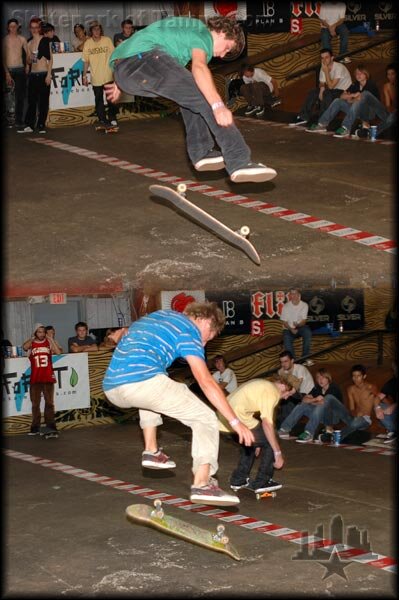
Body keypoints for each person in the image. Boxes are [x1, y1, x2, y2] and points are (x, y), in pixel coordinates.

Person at [103, 302, 255, 506]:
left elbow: (126, 333)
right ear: (204, 319)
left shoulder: (159, 315)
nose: (203, 344)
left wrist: (116, 336)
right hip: (141, 381)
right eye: (208, 336)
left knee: (154, 387)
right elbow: (206, 381)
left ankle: (152, 450)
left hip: (112, 387)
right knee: (205, 417)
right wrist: (235, 422)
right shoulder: (189, 330)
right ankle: (203, 483)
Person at [105, 15, 277, 184]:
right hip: (142, 60)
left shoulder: (183, 33)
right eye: (226, 48)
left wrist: (120, 82)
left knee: (190, 97)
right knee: (205, 95)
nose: (222, 55)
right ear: (222, 32)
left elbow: (141, 39)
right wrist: (218, 105)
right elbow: (199, 67)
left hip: (128, 71)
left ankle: (201, 151)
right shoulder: (201, 32)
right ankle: (239, 160)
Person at [218, 376, 297, 494]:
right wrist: (278, 453)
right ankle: (262, 481)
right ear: (282, 385)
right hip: (236, 419)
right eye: (289, 393)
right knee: (272, 439)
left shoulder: (261, 384)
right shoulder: (272, 391)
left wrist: (257, 442)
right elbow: (267, 424)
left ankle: (238, 479)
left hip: (223, 420)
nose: (286, 398)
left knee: (251, 443)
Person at [306, 64, 380, 136]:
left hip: (369, 113)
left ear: (366, 74)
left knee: (357, 103)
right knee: (338, 101)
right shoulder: (355, 85)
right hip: (356, 111)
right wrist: (353, 95)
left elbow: (361, 100)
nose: (358, 75)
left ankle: (346, 128)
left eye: (360, 73)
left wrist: (351, 100)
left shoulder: (371, 85)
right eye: (357, 73)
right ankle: (322, 124)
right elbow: (342, 96)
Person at [289, 48, 352, 127]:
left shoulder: (339, 68)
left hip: (344, 91)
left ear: (332, 58)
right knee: (313, 92)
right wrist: (321, 89)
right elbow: (322, 82)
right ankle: (303, 117)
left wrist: (326, 71)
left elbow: (331, 86)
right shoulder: (323, 67)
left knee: (327, 93)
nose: (324, 60)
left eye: (326, 57)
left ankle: (321, 121)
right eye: (322, 58)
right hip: (333, 90)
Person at [277, 368, 343, 442]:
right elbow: (304, 399)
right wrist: (314, 399)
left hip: (333, 417)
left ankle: (309, 433)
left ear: (328, 378)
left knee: (320, 406)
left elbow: (323, 403)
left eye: (323, 377)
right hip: (319, 415)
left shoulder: (333, 388)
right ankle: (284, 429)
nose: (320, 380)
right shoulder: (317, 388)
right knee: (302, 405)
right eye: (318, 377)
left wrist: (312, 402)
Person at [318, 364, 380, 443]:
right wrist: (355, 413)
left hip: (365, 419)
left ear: (364, 376)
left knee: (355, 423)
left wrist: (377, 409)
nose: (356, 378)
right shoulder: (350, 389)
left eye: (358, 376)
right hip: (354, 417)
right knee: (329, 397)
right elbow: (351, 408)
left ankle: (335, 437)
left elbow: (378, 397)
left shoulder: (371, 387)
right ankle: (328, 429)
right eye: (354, 376)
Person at [22, 323, 61, 435]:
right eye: (39, 331)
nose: (41, 334)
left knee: (49, 403)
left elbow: (58, 352)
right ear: (35, 333)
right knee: (35, 404)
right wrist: (32, 338)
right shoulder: (32, 343)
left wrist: (50, 339)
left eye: (43, 332)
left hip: (48, 376)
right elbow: (24, 347)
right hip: (35, 377)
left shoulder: (48, 342)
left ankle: (51, 426)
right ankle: (35, 427)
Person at [17, 17, 53, 134]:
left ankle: (41, 124)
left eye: (36, 27)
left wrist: (49, 75)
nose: (34, 30)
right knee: (32, 101)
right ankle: (30, 125)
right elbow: (28, 60)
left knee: (43, 101)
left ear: (39, 28)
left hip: (43, 73)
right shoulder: (29, 42)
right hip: (33, 75)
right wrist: (29, 60)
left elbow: (51, 59)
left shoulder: (45, 40)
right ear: (29, 28)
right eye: (32, 28)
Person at [82, 20, 118, 129]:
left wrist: (117, 70)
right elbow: (86, 61)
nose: (96, 31)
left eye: (98, 29)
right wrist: (84, 76)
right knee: (99, 100)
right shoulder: (88, 43)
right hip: (95, 77)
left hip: (108, 75)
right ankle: (102, 118)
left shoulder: (107, 40)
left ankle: (112, 118)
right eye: (94, 29)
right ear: (91, 31)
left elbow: (114, 56)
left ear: (100, 30)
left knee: (111, 99)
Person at [276, 350, 315, 426]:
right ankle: (280, 426)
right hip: (296, 395)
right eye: (281, 362)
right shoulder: (281, 371)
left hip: (307, 394)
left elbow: (297, 385)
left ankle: (284, 427)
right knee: (281, 401)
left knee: (288, 400)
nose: (283, 364)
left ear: (292, 360)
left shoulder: (300, 368)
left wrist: (286, 394)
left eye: (286, 361)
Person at [3, 18, 29, 128]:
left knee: (20, 96)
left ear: (18, 26)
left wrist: (27, 65)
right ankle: (9, 120)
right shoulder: (5, 40)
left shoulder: (22, 39)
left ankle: (19, 120)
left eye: (15, 26)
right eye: (11, 27)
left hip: (20, 69)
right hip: (9, 69)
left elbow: (28, 54)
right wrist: (7, 72)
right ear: (8, 28)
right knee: (9, 96)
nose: (13, 28)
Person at [280, 288, 313, 364]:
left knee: (307, 332)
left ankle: (305, 357)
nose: (293, 296)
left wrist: (298, 325)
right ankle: (294, 361)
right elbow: (284, 322)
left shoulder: (304, 305)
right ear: (290, 296)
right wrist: (291, 329)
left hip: (300, 327)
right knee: (286, 339)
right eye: (292, 294)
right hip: (288, 328)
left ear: (299, 295)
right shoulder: (286, 306)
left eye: (295, 294)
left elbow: (304, 321)